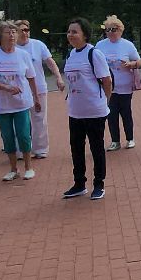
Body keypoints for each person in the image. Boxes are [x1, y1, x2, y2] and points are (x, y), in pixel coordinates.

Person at [60, 18, 114, 199]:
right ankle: (79, 184)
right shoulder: (70, 54)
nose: (70, 35)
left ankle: (99, 184)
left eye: (74, 31)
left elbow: (107, 80)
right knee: (76, 148)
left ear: (84, 34)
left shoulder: (94, 54)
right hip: (75, 110)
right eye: (69, 32)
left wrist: (106, 101)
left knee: (96, 148)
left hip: (94, 110)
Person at [0, 20, 43, 182]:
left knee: (24, 135)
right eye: (8, 32)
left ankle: (29, 167)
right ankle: (13, 169)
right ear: (0, 36)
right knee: (7, 136)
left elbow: (31, 77)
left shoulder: (23, 55)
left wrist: (36, 98)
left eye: (14, 32)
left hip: (21, 103)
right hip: (1, 105)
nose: (12, 35)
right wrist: (5, 87)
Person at [15, 20, 63, 159]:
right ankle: (21, 149)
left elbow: (50, 62)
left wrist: (58, 77)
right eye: (21, 30)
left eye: (26, 30)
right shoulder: (11, 48)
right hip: (19, 90)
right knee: (21, 120)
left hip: (39, 88)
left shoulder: (38, 45)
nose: (24, 33)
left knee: (39, 119)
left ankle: (40, 149)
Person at [97, 16, 141, 150]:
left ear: (120, 30)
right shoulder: (100, 45)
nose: (110, 32)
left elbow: (138, 61)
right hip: (108, 86)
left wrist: (131, 64)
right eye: (107, 30)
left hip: (125, 85)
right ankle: (115, 141)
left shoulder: (127, 45)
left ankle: (130, 139)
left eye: (113, 29)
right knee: (111, 114)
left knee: (126, 113)